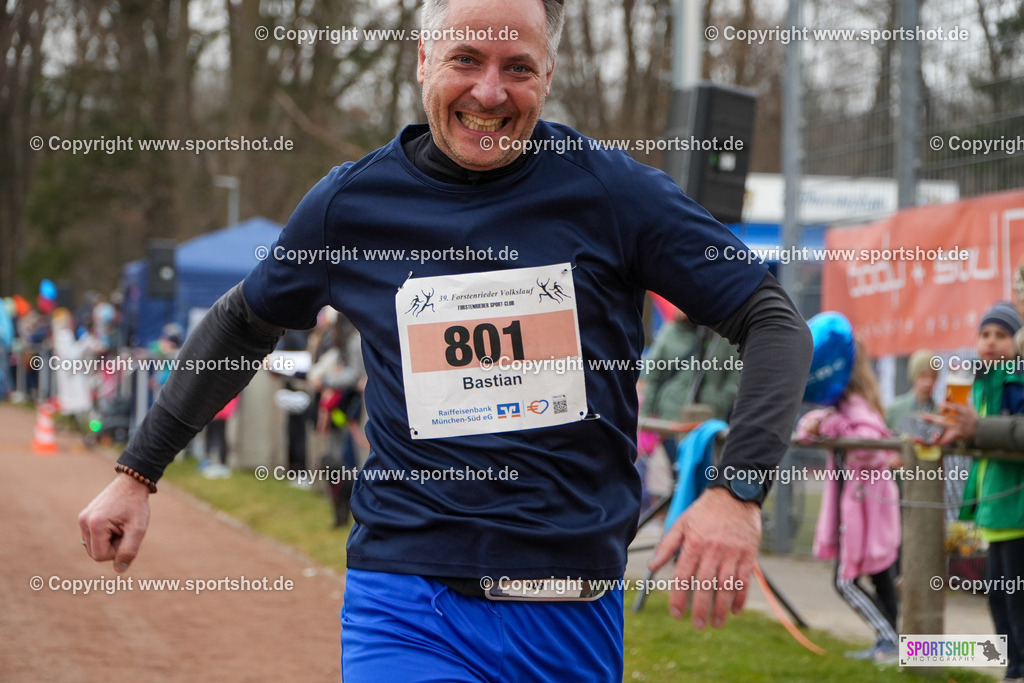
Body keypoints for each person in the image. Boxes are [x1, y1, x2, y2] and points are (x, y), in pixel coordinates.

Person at [78, 0, 813, 679]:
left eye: (517, 68)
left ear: (548, 76)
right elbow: (243, 321)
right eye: (467, 60)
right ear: (423, 60)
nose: (490, 93)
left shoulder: (613, 194)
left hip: (568, 606)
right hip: (406, 599)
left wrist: (737, 488)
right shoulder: (350, 205)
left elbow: (773, 320)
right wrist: (137, 471)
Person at [797, 314, 901, 665]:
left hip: (867, 507)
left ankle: (890, 639)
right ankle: (890, 643)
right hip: (858, 507)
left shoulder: (857, 407)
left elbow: (870, 443)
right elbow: (805, 430)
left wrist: (833, 426)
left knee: (847, 581)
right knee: (880, 577)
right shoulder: (840, 407)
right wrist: (824, 422)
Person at [942, 301, 1024, 682]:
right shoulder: (979, 380)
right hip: (994, 511)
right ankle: (1012, 666)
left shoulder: (1014, 378)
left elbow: (1008, 431)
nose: (991, 342)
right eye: (985, 334)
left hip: (1017, 508)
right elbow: (967, 430)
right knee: (998, 598)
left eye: (1001, 335)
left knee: (1016, 599)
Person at [885, 348, 937, 431]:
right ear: (914, 376)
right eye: (923, 376)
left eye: (932, 377)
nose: (928, 382)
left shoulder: (939, 413)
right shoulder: (894, 410)